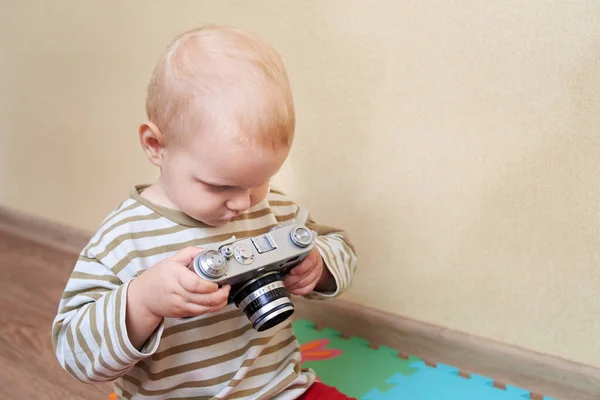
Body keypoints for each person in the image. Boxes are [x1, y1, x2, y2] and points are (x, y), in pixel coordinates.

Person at [51, 25, 358, 399]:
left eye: (258, 181)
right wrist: (142, 301)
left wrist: (318, 264)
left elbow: (338, 245)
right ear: (156, 146)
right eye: (220, 186)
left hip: (278, 389)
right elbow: (75, 351)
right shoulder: (124, 239)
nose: (244, 203)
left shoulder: (272, 208)